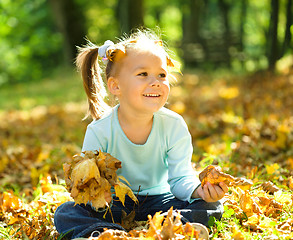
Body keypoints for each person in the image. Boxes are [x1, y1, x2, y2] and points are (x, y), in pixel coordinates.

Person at [54, 29, 228, 239]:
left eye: (161, 75)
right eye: (143, 74)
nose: (156, 82)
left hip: (162, 201)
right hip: (114, 206)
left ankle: (170, 228)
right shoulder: (100, 130)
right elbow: (87, 180)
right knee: (66, 212)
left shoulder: (174, 125)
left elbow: (181, 176)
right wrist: (98, 195)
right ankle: (106, 234)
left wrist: (198, 192)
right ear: (115, 85)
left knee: (211, 206)